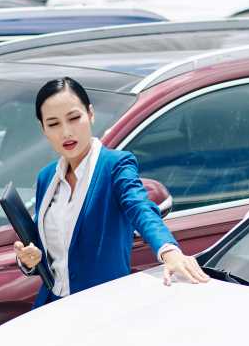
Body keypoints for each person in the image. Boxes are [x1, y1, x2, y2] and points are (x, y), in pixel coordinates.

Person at [15, 77, 209, 306]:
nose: (66, 132)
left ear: (90, 114)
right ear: (43, 129)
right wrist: (28, 260)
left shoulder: (115, 165)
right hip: (52, 306)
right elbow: (46, 246)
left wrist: (169, 250)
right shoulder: (47, 178)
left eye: (74, 118)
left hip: (104, 307)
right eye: (54, 123)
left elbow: (140, 207)